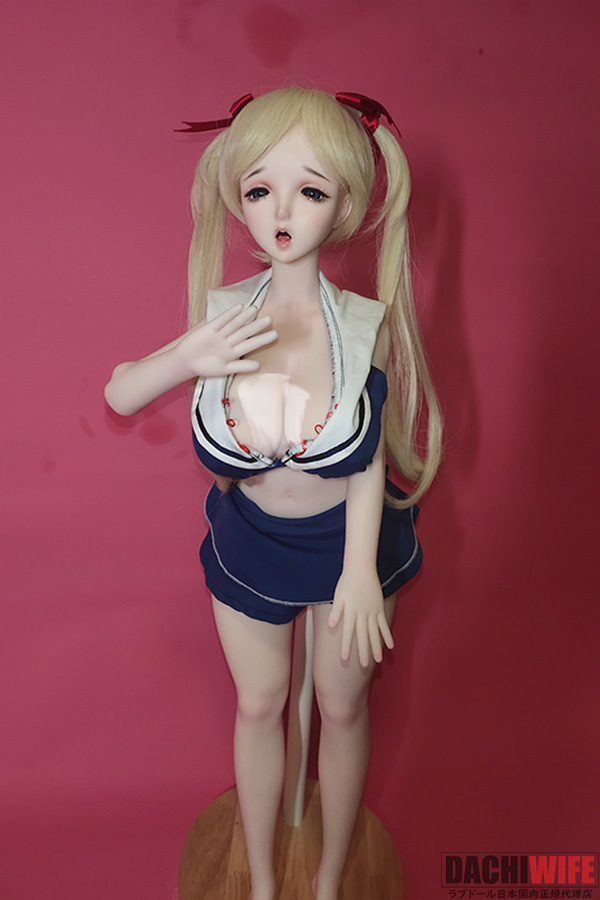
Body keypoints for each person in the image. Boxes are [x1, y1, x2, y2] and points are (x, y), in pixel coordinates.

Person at [105, 86, 442, 900]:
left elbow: (365, 459)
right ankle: (259, 882)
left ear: (347, 205)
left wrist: (357, 570)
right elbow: (119, 394)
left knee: (342, 708)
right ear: (236, 195)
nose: (282, 211)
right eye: (260, 188)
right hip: (253, 540)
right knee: (260, 706)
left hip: (349, 545)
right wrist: (184, 358)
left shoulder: (359, 327)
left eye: (310, 191)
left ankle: (326, 882)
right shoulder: (223, 320)